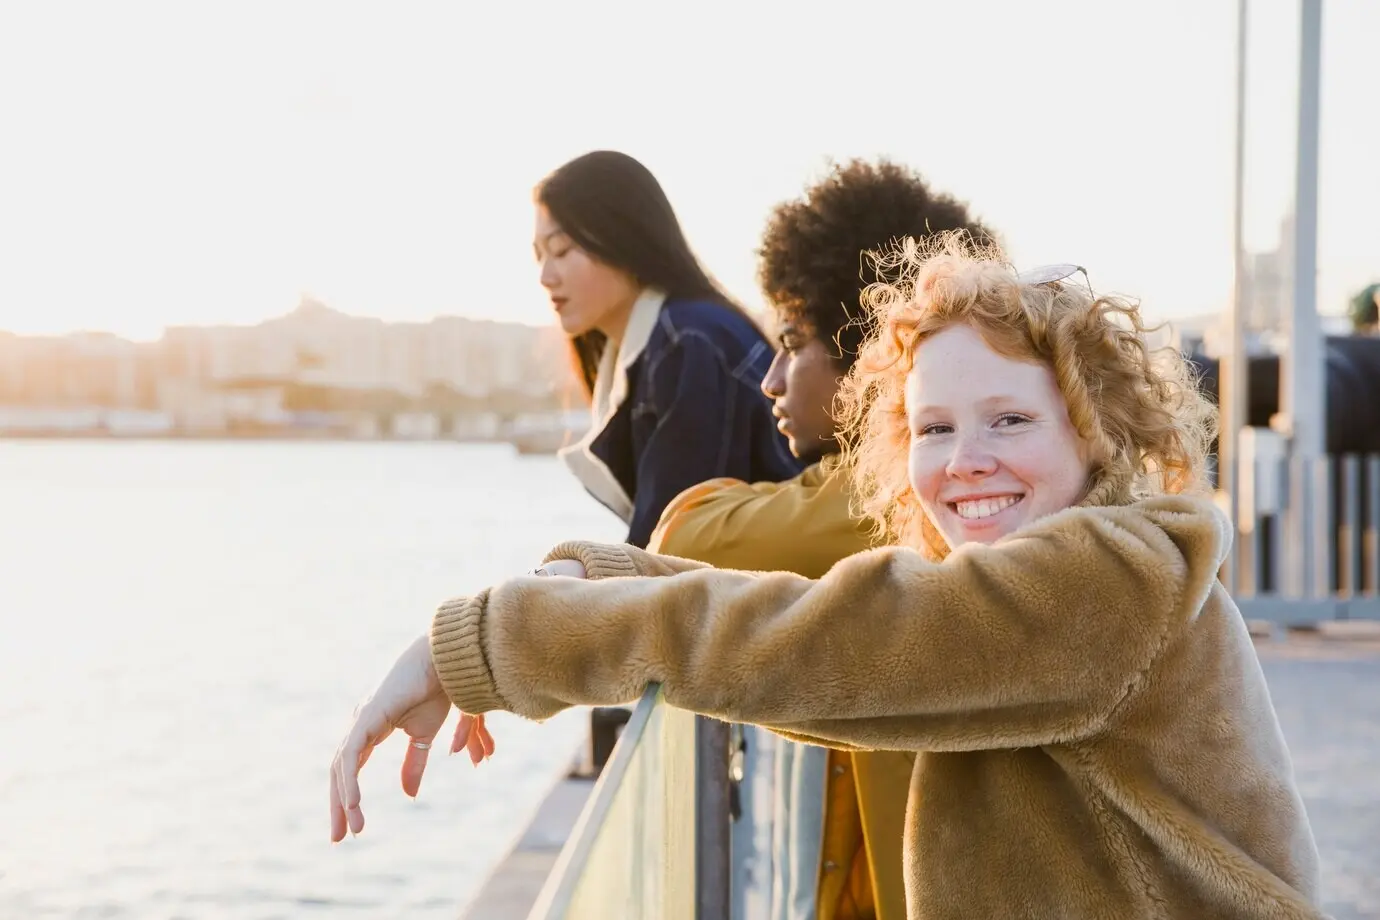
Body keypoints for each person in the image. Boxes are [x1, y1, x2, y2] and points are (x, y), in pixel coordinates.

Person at [330, 237, 1323, 919]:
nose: (967, 456)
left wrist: (502, 643)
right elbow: (823, 617)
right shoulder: (1026, 580)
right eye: (933, 427)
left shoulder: (1108, 580)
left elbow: (804, 644)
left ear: (1097, 428)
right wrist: (581, 578)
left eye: (1010, 419)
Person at [647, 160, 995, 920]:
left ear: (875, 354)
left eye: (794, 342)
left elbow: (682, 534)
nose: (771, 379)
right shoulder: (969, 482)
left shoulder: (897, 493)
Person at [535, 149, 801, 549]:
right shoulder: (665, 341)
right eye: (538, 255)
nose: (544, 276)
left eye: (561, 251)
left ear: (621, 237)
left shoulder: (689, 345)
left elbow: (675, 551)